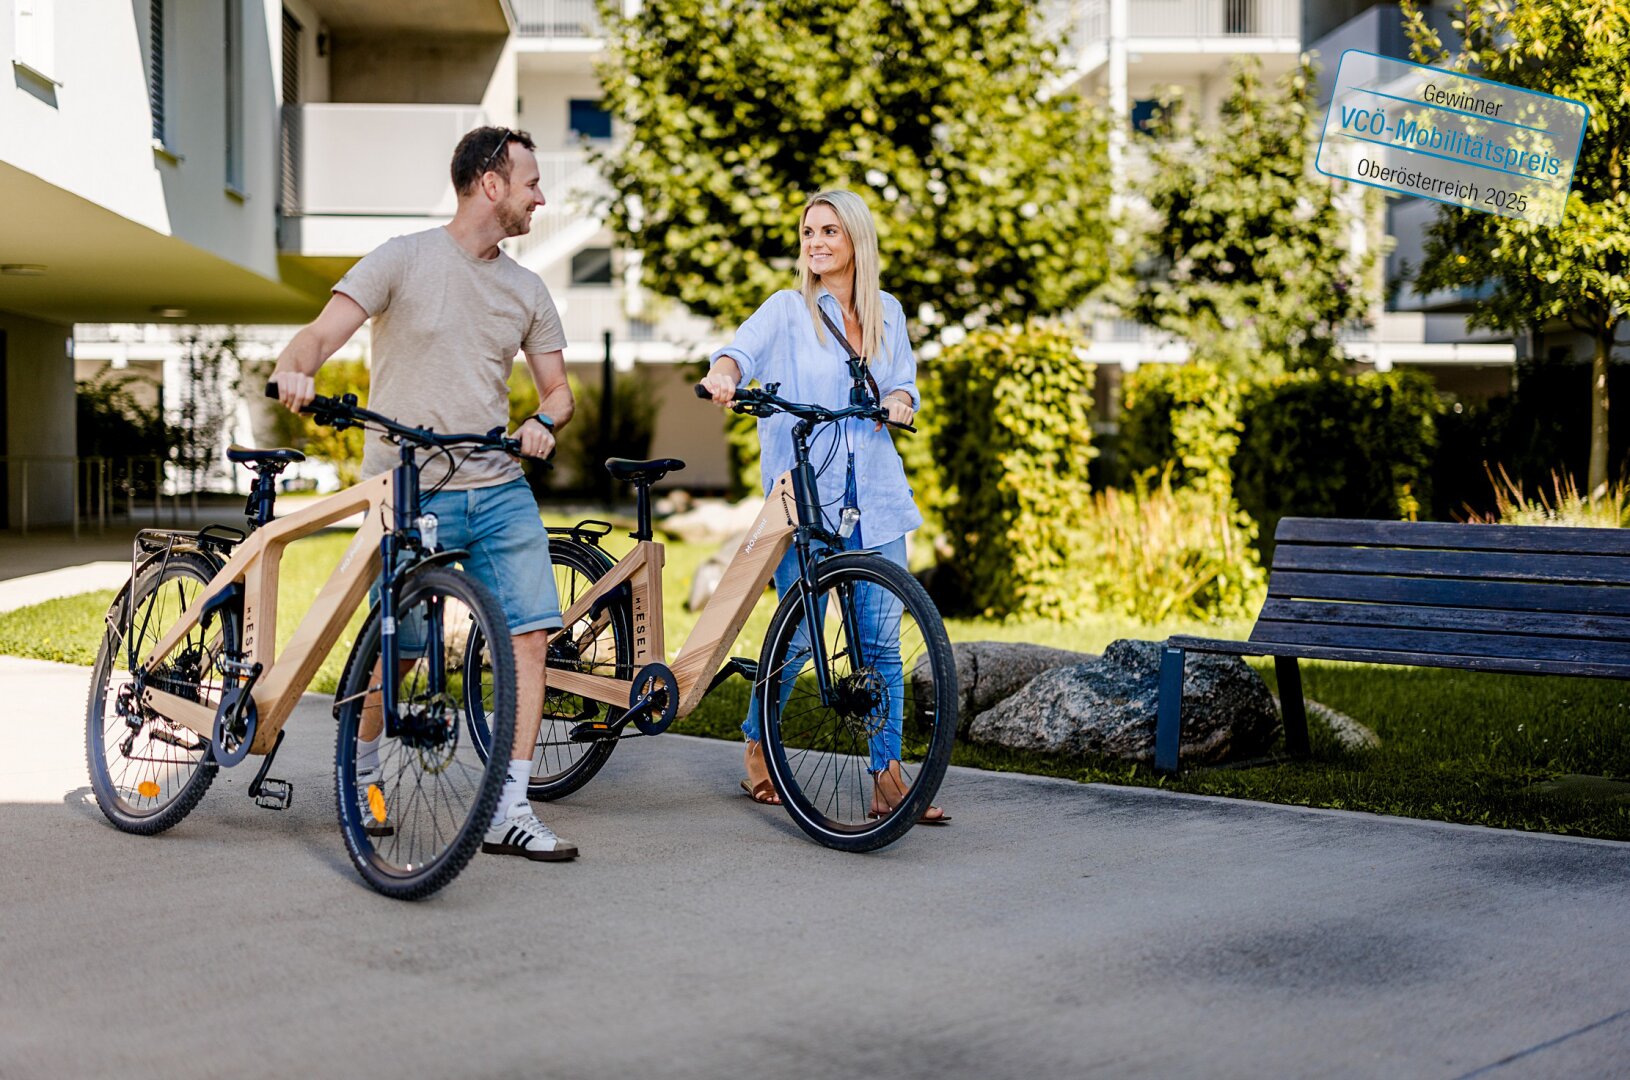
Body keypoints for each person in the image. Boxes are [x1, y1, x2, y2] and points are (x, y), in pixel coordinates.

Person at [268, 126, 580, 861]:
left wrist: (544, 420)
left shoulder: (526, 289)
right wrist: (297, 369)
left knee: (531, 637)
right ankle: (367, 774)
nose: (542, 196)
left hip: (497, 483)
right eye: (531, 182)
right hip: (408, 488)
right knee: (398, 652)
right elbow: (317, 335)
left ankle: (509, 807)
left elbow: (559, 390)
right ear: (491, 183)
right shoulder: (403, 259)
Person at [698, 189, 949, 824]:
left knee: (882, 645)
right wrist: (725, 374)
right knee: (802, 634)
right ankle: (759, 741)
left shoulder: (887, 311)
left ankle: (887, 777)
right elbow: (739, 349)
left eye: (829, 231)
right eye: (808, 231)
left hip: (878, 499)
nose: (815, 242)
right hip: (808, 495)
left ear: (855, 241)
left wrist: (901, 403)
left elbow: (903, 384)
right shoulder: (787, 310)